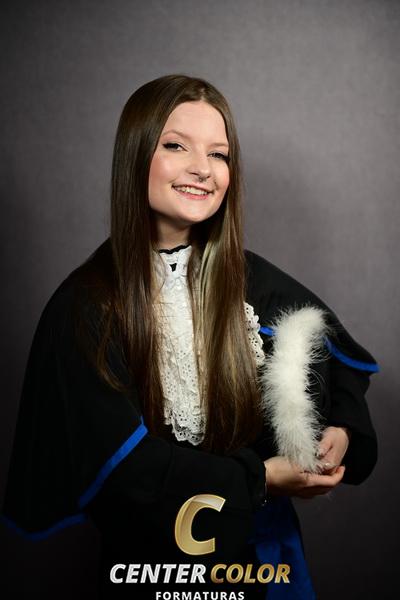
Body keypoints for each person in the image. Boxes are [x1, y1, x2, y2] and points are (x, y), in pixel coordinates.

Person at [2, 75, 378, 599]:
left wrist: (341, 429)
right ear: (136, 156)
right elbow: (126, 473)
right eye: (177, 146)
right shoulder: (87, 306)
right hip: (153, 572)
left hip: (265, 569)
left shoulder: (252, 282)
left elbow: (338, 361)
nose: (203, 168)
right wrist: (260, 479)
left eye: (219, 154)